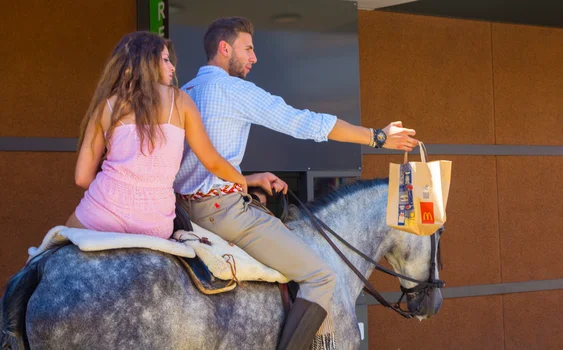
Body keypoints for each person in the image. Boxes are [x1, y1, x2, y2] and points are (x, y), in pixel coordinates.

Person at [174, 17, 418, 349]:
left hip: (184, 212)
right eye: (248, 48)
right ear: (224, 48)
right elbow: (304, 123)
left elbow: (193, 164)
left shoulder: (184, 92)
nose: (254, 57)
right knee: (321, 277)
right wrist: (377, 137)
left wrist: (247, 179)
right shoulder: (233, 90)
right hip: (222, 214)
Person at [65, 31, 246, 239]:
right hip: (155, 223)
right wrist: (241, 180)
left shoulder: (105, 106)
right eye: (166, 60)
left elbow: (82, 178)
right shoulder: (181, 101)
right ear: (147, 62)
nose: (173, 67)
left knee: (50, 251)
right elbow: (212, 162)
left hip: (102, 213)